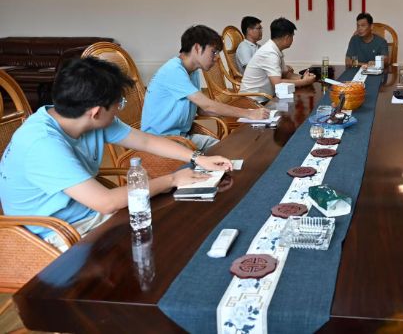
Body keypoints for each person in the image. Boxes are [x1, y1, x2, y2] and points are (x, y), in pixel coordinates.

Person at [0, 57, 232, 251]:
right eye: (118, 104)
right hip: (55, 233)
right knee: (168, 238)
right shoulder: (42, 144)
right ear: (96, 112)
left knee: (176, 221)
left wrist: (198, 158)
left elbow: (145, 140)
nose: (119, 110)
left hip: (86, 213)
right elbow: (106, 202)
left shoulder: (82, 116)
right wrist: (172, 179)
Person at [141, 25, 268, 150]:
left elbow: (202, 109)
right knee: (225, 154)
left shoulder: (193, 72)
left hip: (181, 138)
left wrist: (240, 114)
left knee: (228, 149)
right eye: (214, 52)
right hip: (161, 142)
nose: (217, 57)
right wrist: (249, 113)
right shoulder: (173, 70)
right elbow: (208, 106)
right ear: (197, 48)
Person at [240, 17, 315, 101]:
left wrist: (303, 77)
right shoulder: (269, 52)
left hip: (265, 98)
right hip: (253, 100)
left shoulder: (275, 49)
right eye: (292, 36)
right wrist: (304, 82)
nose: (292, 39)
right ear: (287, 38)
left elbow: (286, 75)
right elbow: (277, 84)